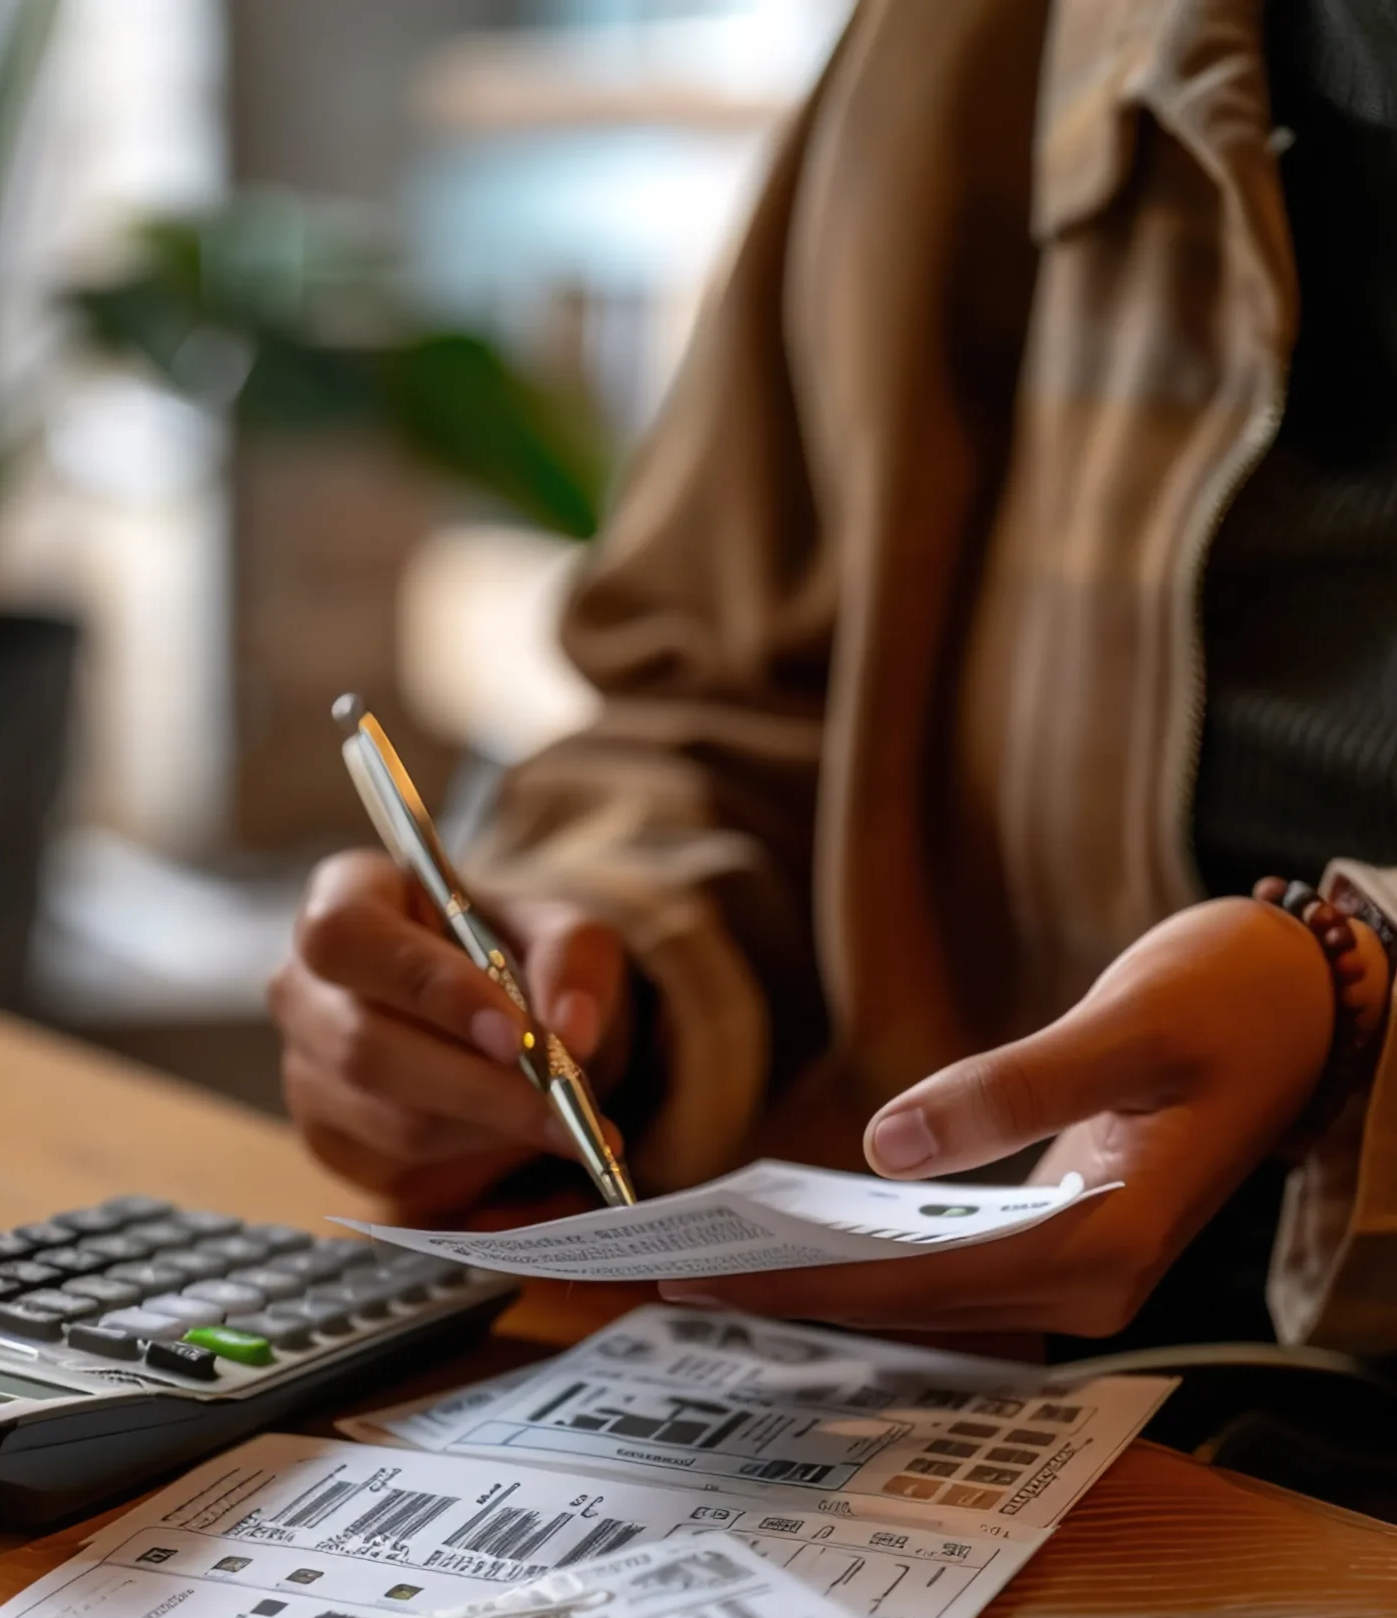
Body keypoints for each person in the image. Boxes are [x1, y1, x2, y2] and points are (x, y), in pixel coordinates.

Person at [271, 0, 1397, 1353]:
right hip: (971, 1389)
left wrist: (1344, 1008)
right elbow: (723, 706)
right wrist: (593, 979)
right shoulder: (972, 42)